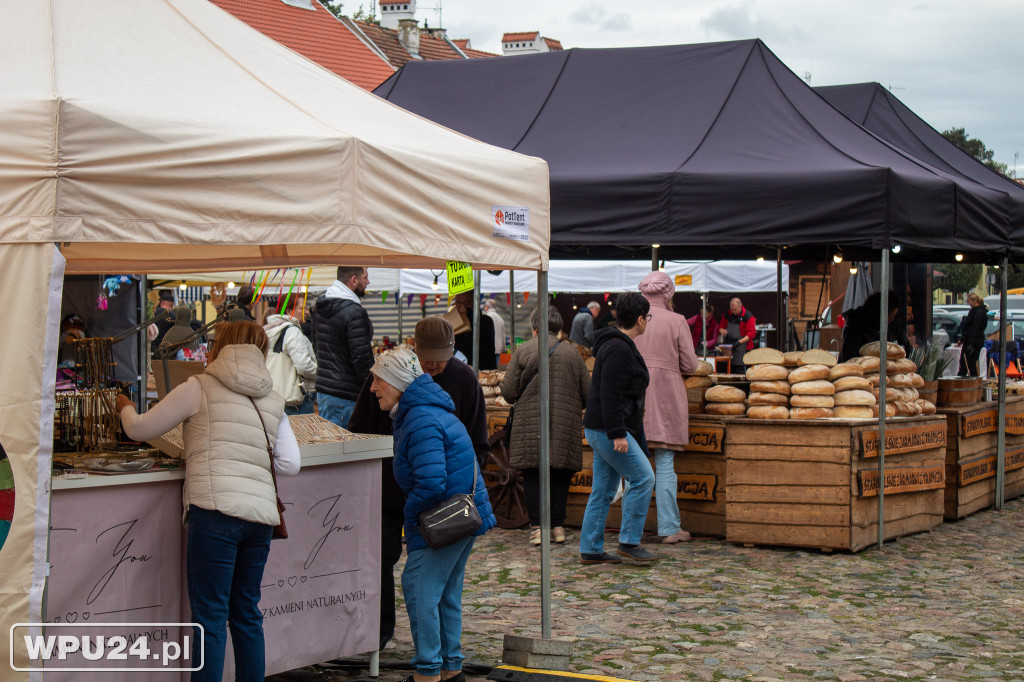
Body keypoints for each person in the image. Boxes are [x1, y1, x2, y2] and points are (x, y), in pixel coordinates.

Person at [115, 321, 301, 682]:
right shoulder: (273, 398)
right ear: (261, 351)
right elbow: (290, 464)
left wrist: (124, 406)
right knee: (246, 613)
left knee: (210, 618)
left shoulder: (198, 387)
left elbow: (138, 429)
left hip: (215, 514)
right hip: (260, 518)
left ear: (219, 346)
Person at [348, 316, 489, 652]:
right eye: (428, 358)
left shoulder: (464, 379)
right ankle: (380, 632)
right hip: (388, 487)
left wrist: (462, 487)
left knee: (429, 582)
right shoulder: (389, 376)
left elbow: (475, 441)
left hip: (438, 498)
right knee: (381, 559)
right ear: (415, 349)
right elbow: (358, 429)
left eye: (441, 358)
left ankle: (435, 660)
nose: (434, 365)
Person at [368, 349, 496, 682]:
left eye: (378, 379)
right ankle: (451, 670)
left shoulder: (420, 418)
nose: (372, 388)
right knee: (446, 593)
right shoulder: (422, 412)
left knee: (419, 589)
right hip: (461, 515)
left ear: (396, 382)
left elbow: (431, 482)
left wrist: (410, 518)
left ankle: (428, 673)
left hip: (443, 519)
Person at [500, 306, 590, 546]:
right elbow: (588, 394)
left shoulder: (523, 350)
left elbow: (508, 392)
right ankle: (558, 528)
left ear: (534, 327)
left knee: (532, 473)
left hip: (530, 423)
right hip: (565, 423)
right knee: (560, 473)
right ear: (559, 327)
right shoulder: (573, 354)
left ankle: (538, 528)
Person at [579, 292, 656, 565]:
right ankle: (629, 542)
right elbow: (610, 394)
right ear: (639, 319)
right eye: (646, 317)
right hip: (608, 429)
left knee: (603, 490)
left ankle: (590, 549)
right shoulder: (619, 349)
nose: (647, 321)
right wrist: (618, 433)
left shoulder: (616, 345)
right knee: (644, 478)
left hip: (602, 427)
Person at [635, 272, 700, 544]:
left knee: (634, 469)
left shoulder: (633, 319)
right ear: (668, 294)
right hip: (666, 398)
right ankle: (670, 528)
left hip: (635, 397)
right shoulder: (676, 321)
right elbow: (692, 365)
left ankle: (630, 530)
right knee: (664, 464)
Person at [313, 266, 373, 428]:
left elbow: (316, 345)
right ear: (354, 280)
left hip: (325, 391)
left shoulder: (321, 306)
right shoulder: (354, 312)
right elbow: (361, 358)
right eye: (365, 277)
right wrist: (372, 387)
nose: (368, 281)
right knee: (347, 449)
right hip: (346, 395)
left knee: (332, 447)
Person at [264, 295, 318, 415]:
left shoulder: (269, 330)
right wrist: (320, 372)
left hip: (272, 396)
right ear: (289, 311)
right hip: (293, 401)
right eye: (302, 308)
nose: (307, 312)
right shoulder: (293, 332)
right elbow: (304, 366)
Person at [839, 291, 908, 362]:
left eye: (894, 315)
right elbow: (849, 360)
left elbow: (908, 348)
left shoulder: (893, 327)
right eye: (890, 315)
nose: (892, 319)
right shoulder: (856, 330)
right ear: (878, 312)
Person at [452, 292, 496, 370]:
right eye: (458, 303)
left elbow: (477, 330)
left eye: (466, 303)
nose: (460, 307)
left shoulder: (485, 321)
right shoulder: (455, 323)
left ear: (474, 303)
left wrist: (467, 313)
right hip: (461, 369)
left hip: (483, 370)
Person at [717, 298, 756, 373]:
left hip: (742, 347)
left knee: (740, 371)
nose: (733, 311)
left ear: (740, 306)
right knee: (725, 370)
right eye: (732, 310)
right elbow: (720, 327)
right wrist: (722, 331)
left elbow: (751, 334)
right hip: (728, 347)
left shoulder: (748, 316)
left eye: (735, 309)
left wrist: (739, 342)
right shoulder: (727, 314)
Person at [958, 292, 988, 376]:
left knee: (970, 362)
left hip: (974, 341)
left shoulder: (979, 313)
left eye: (969, 301)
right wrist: (963, 338)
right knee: (965, 361)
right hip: (970, 340)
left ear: (975, 301)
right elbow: (968, 327)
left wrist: (971, 343)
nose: (968, 303)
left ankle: (969, 378)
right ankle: (963, 376)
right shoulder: (973, 311)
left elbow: (975, 328)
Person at [150, 289, 177, 356]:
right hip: (166, 347)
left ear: (161, 301)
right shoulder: (173, 315)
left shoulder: (152, 312)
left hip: (151, 343)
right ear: (171, 303)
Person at [483, 299, 506, 366]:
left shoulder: (486, 318)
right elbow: (503, 336)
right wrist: (503, 348)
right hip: (498, 348)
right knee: (495, 371)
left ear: (487, 307)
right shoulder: (500, 318)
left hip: (488, 348)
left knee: (486, 371)